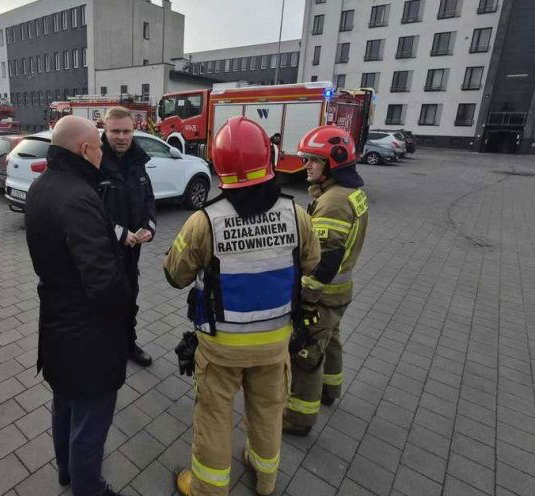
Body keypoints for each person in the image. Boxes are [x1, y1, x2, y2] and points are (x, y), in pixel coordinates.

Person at [165, 116, 320, 496]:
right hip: (275, 342)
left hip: (221, 349)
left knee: (215, 417)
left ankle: (207, 488)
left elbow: (175, 275)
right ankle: (265, 480)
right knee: (267, 413)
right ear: (268, 158)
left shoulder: (204, 222)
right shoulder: (297, 214)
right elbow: (313, 262)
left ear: (220, 169)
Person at [24, 116, 131, 496]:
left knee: (65, 402)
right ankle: (90, 488)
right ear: (85, 149)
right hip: (88, 333)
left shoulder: (42, 186)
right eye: (99, 146)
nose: (103, 152)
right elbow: (101, 280)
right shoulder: (79, 197)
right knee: (90, 418)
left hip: (56, 323)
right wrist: (125, 308)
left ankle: (67, 471)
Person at [283, 125, 369, 437]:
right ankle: (330, 392)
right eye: (306, 159)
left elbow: (325, 262)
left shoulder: (333, 202)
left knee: (307, 354)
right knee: (331, 340)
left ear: (333, 163)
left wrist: (304, 298)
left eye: (313, 160)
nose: (306, 165)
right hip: (341, 294)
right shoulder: (353, 193)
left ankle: (298, 419)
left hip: (323, 295)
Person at [99, 106, 157, 367]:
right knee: (104, 303)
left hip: (132, 251)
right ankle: (105, 351)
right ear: (105, 129)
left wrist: (150, 227)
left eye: (126, 131)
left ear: (134, 131)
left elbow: (148, 200)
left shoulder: (138, 162)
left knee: (130, 298)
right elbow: (89, 210)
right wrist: (120, 233)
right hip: (103, 253)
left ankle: (128, 344)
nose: (121, 137)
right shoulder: (94, 162)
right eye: (115, 131)